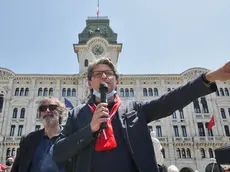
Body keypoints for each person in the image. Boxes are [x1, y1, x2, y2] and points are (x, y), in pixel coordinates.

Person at [53, 57, 230, 172]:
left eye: (109, 73)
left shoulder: (134, 109)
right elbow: (58, 152)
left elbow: (169, 101)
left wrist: (207, 78)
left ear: (117, 81)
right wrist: (89, 130)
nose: (104, 77)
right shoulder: (76, 115)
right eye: (98, 74)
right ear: (90, 82)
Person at [11, 97, 68, 172]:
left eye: (52, 107)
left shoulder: (69, 138)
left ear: (60, 112)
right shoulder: (28, 140)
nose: (47, 111)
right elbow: (16, 168)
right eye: (43, 108)